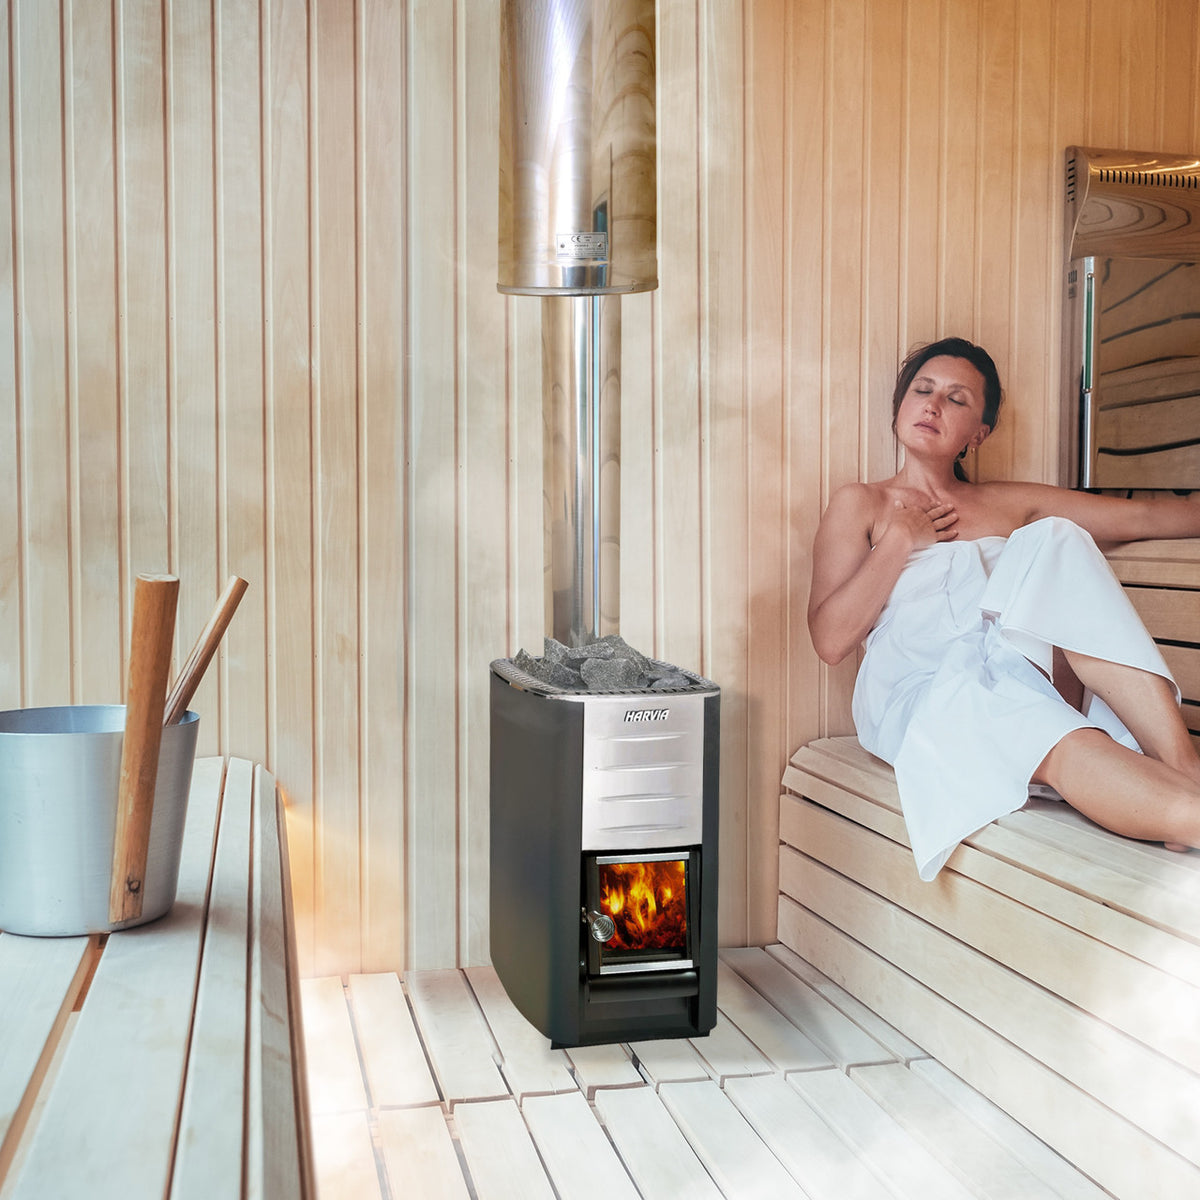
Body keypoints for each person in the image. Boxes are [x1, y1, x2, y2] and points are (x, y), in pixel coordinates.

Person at [808, 335, 1200, 878]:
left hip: (1018, 668)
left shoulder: (1011, 502)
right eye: (922, 390)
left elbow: (1147, 520)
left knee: (1056, 537)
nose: (933, 405)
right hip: (924, 689)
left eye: (957, 399)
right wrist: (900, 540)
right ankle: (1182, 808)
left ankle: (1183, 766)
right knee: (1029, 719)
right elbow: (830, 641)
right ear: (900, 405)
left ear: (979, 433)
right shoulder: (862, 504)